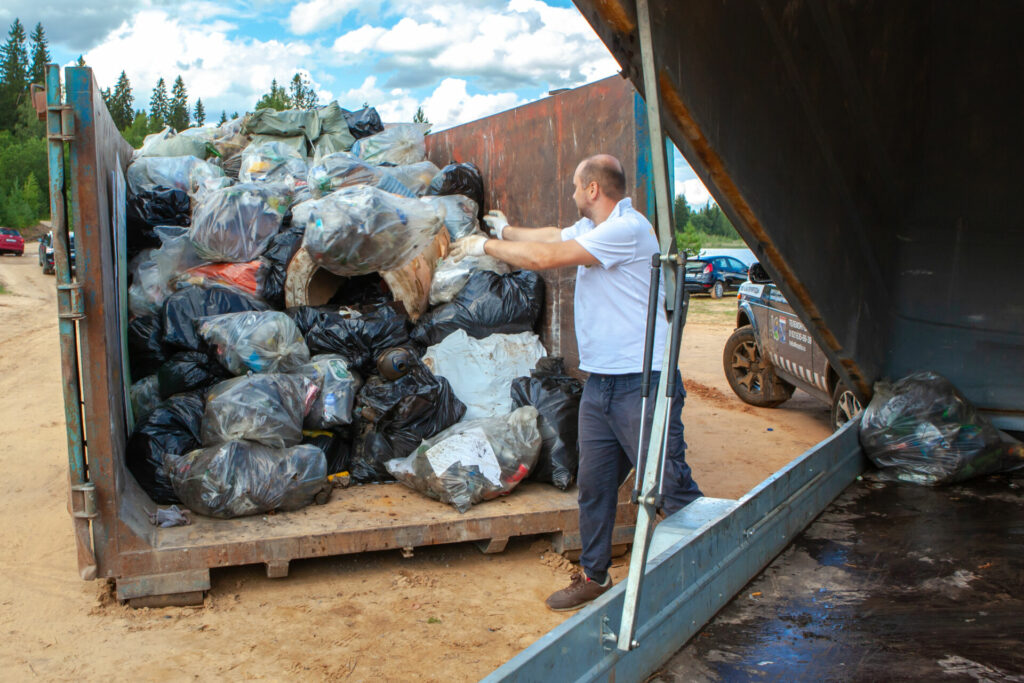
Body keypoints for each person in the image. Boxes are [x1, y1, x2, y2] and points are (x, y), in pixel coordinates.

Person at [450, 154, 702, 611]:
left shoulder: (628, 230)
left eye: (573, 187)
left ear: (592, 190)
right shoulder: (596, 229)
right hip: (602, 384)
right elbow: (549, 236)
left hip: (641, 381)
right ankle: (594, 575)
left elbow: (546, 256)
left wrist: (482, 248)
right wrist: (504, 230)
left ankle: (718, 558)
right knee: (595, 485)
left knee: (668, 485)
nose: (570, 194)